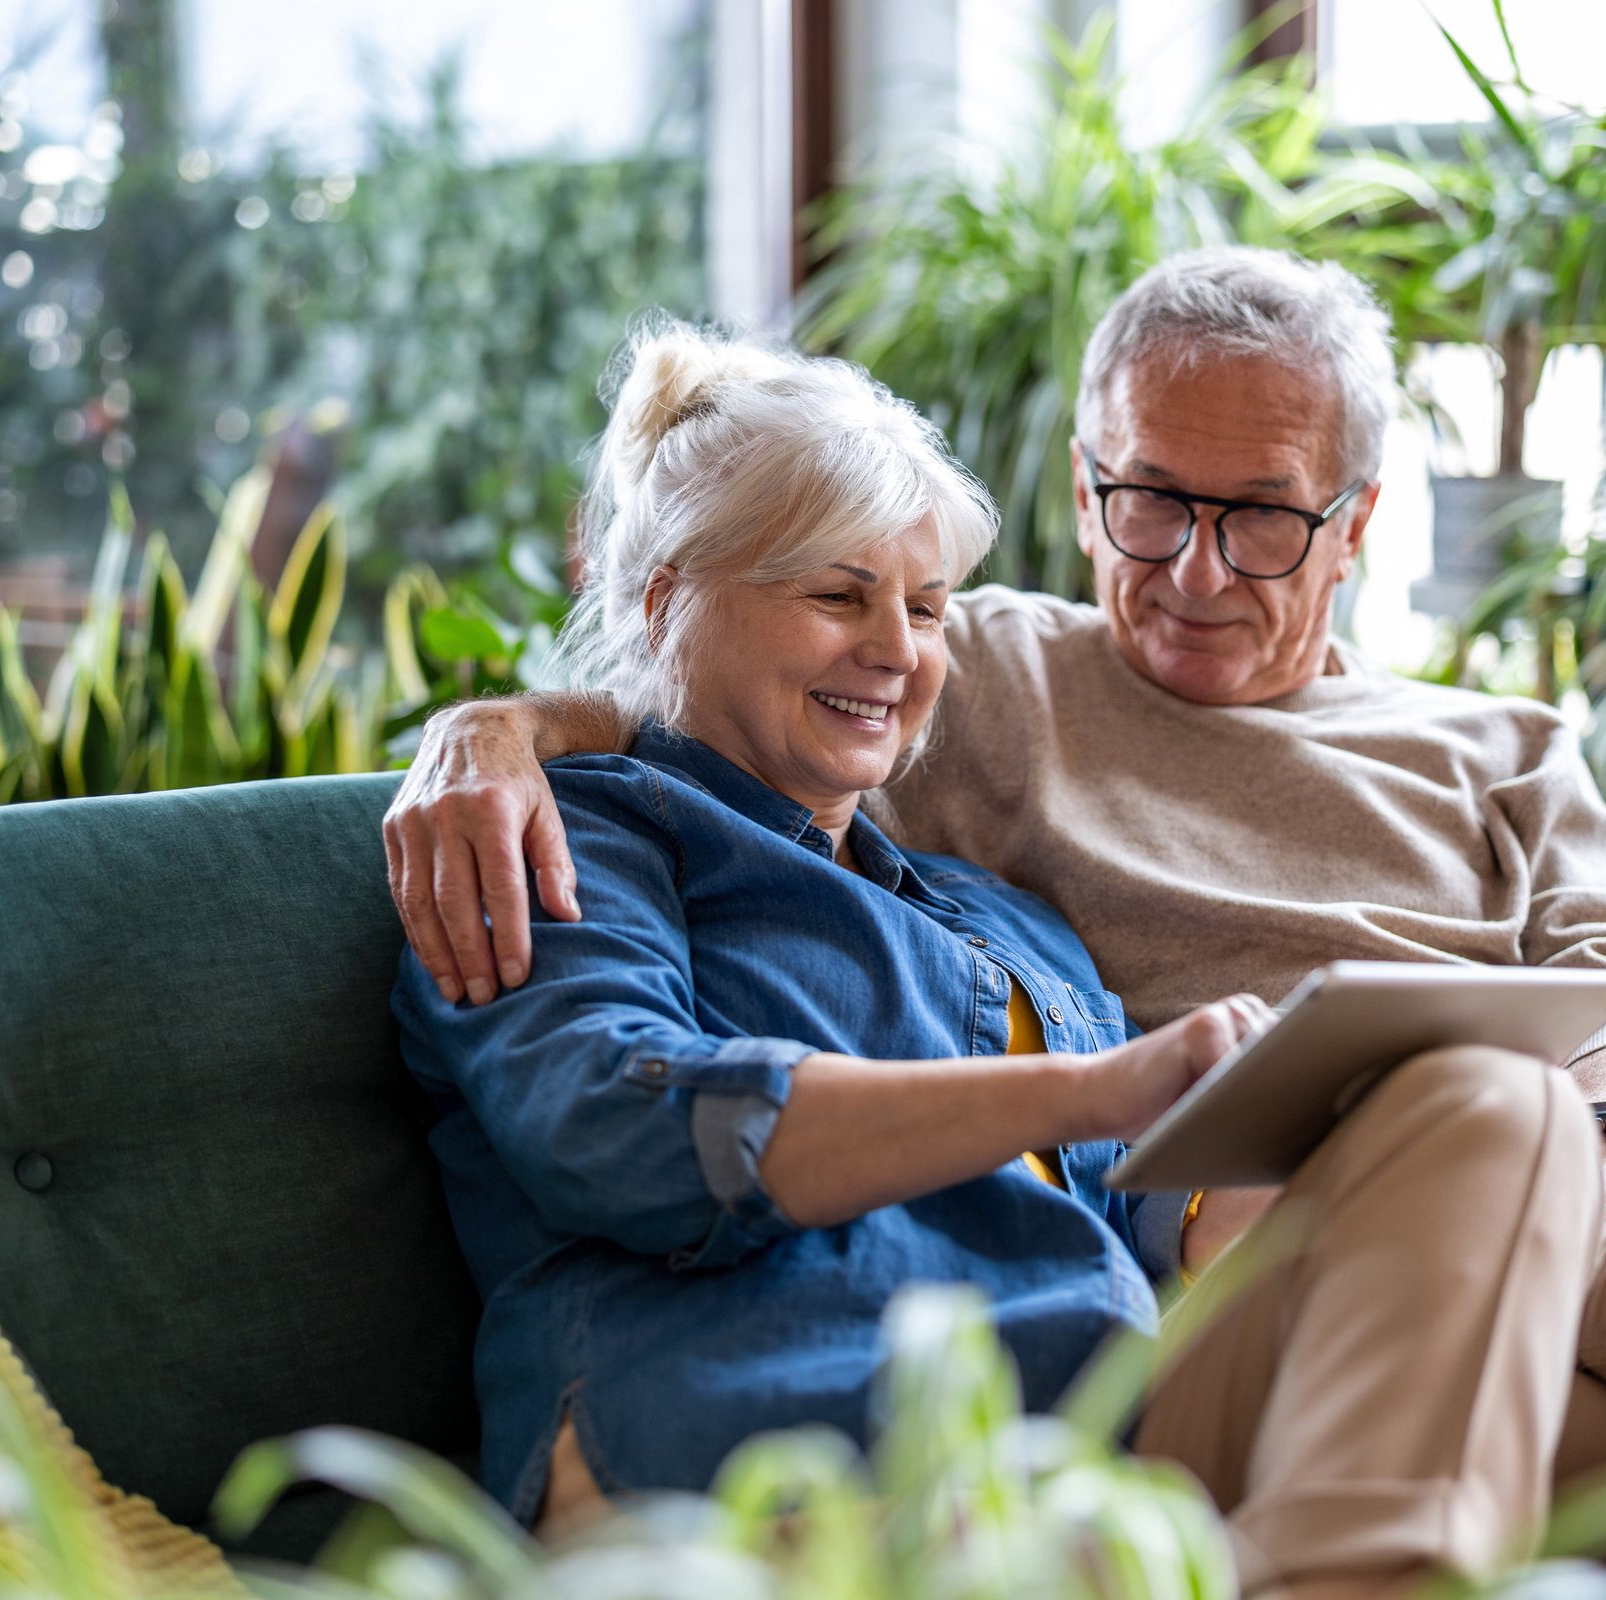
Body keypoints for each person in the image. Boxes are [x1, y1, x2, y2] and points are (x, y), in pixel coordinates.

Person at [386, 251, 1606, 1600]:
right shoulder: (999, 679)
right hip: (1254, 1280)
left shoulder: (1486, 750)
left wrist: (1604, 1156)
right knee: (1476, 1104)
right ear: (1090, 493)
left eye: (1266, 519)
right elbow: (712, 702)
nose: (1198, 570)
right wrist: (492, 731)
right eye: (1152, 504)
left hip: (1543, 1193)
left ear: (1358, 520)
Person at [394, 320, 1286, 1544]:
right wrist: (1082, 1090)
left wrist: (1232, 1180)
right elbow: (612, 1122)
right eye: (837, 595)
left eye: (925, 608)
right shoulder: (576, 839)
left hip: (1083, 1456)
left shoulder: (1007, 922)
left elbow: (1130, 1199)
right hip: (764, 1452)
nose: (896, 650)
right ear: (665, 604)